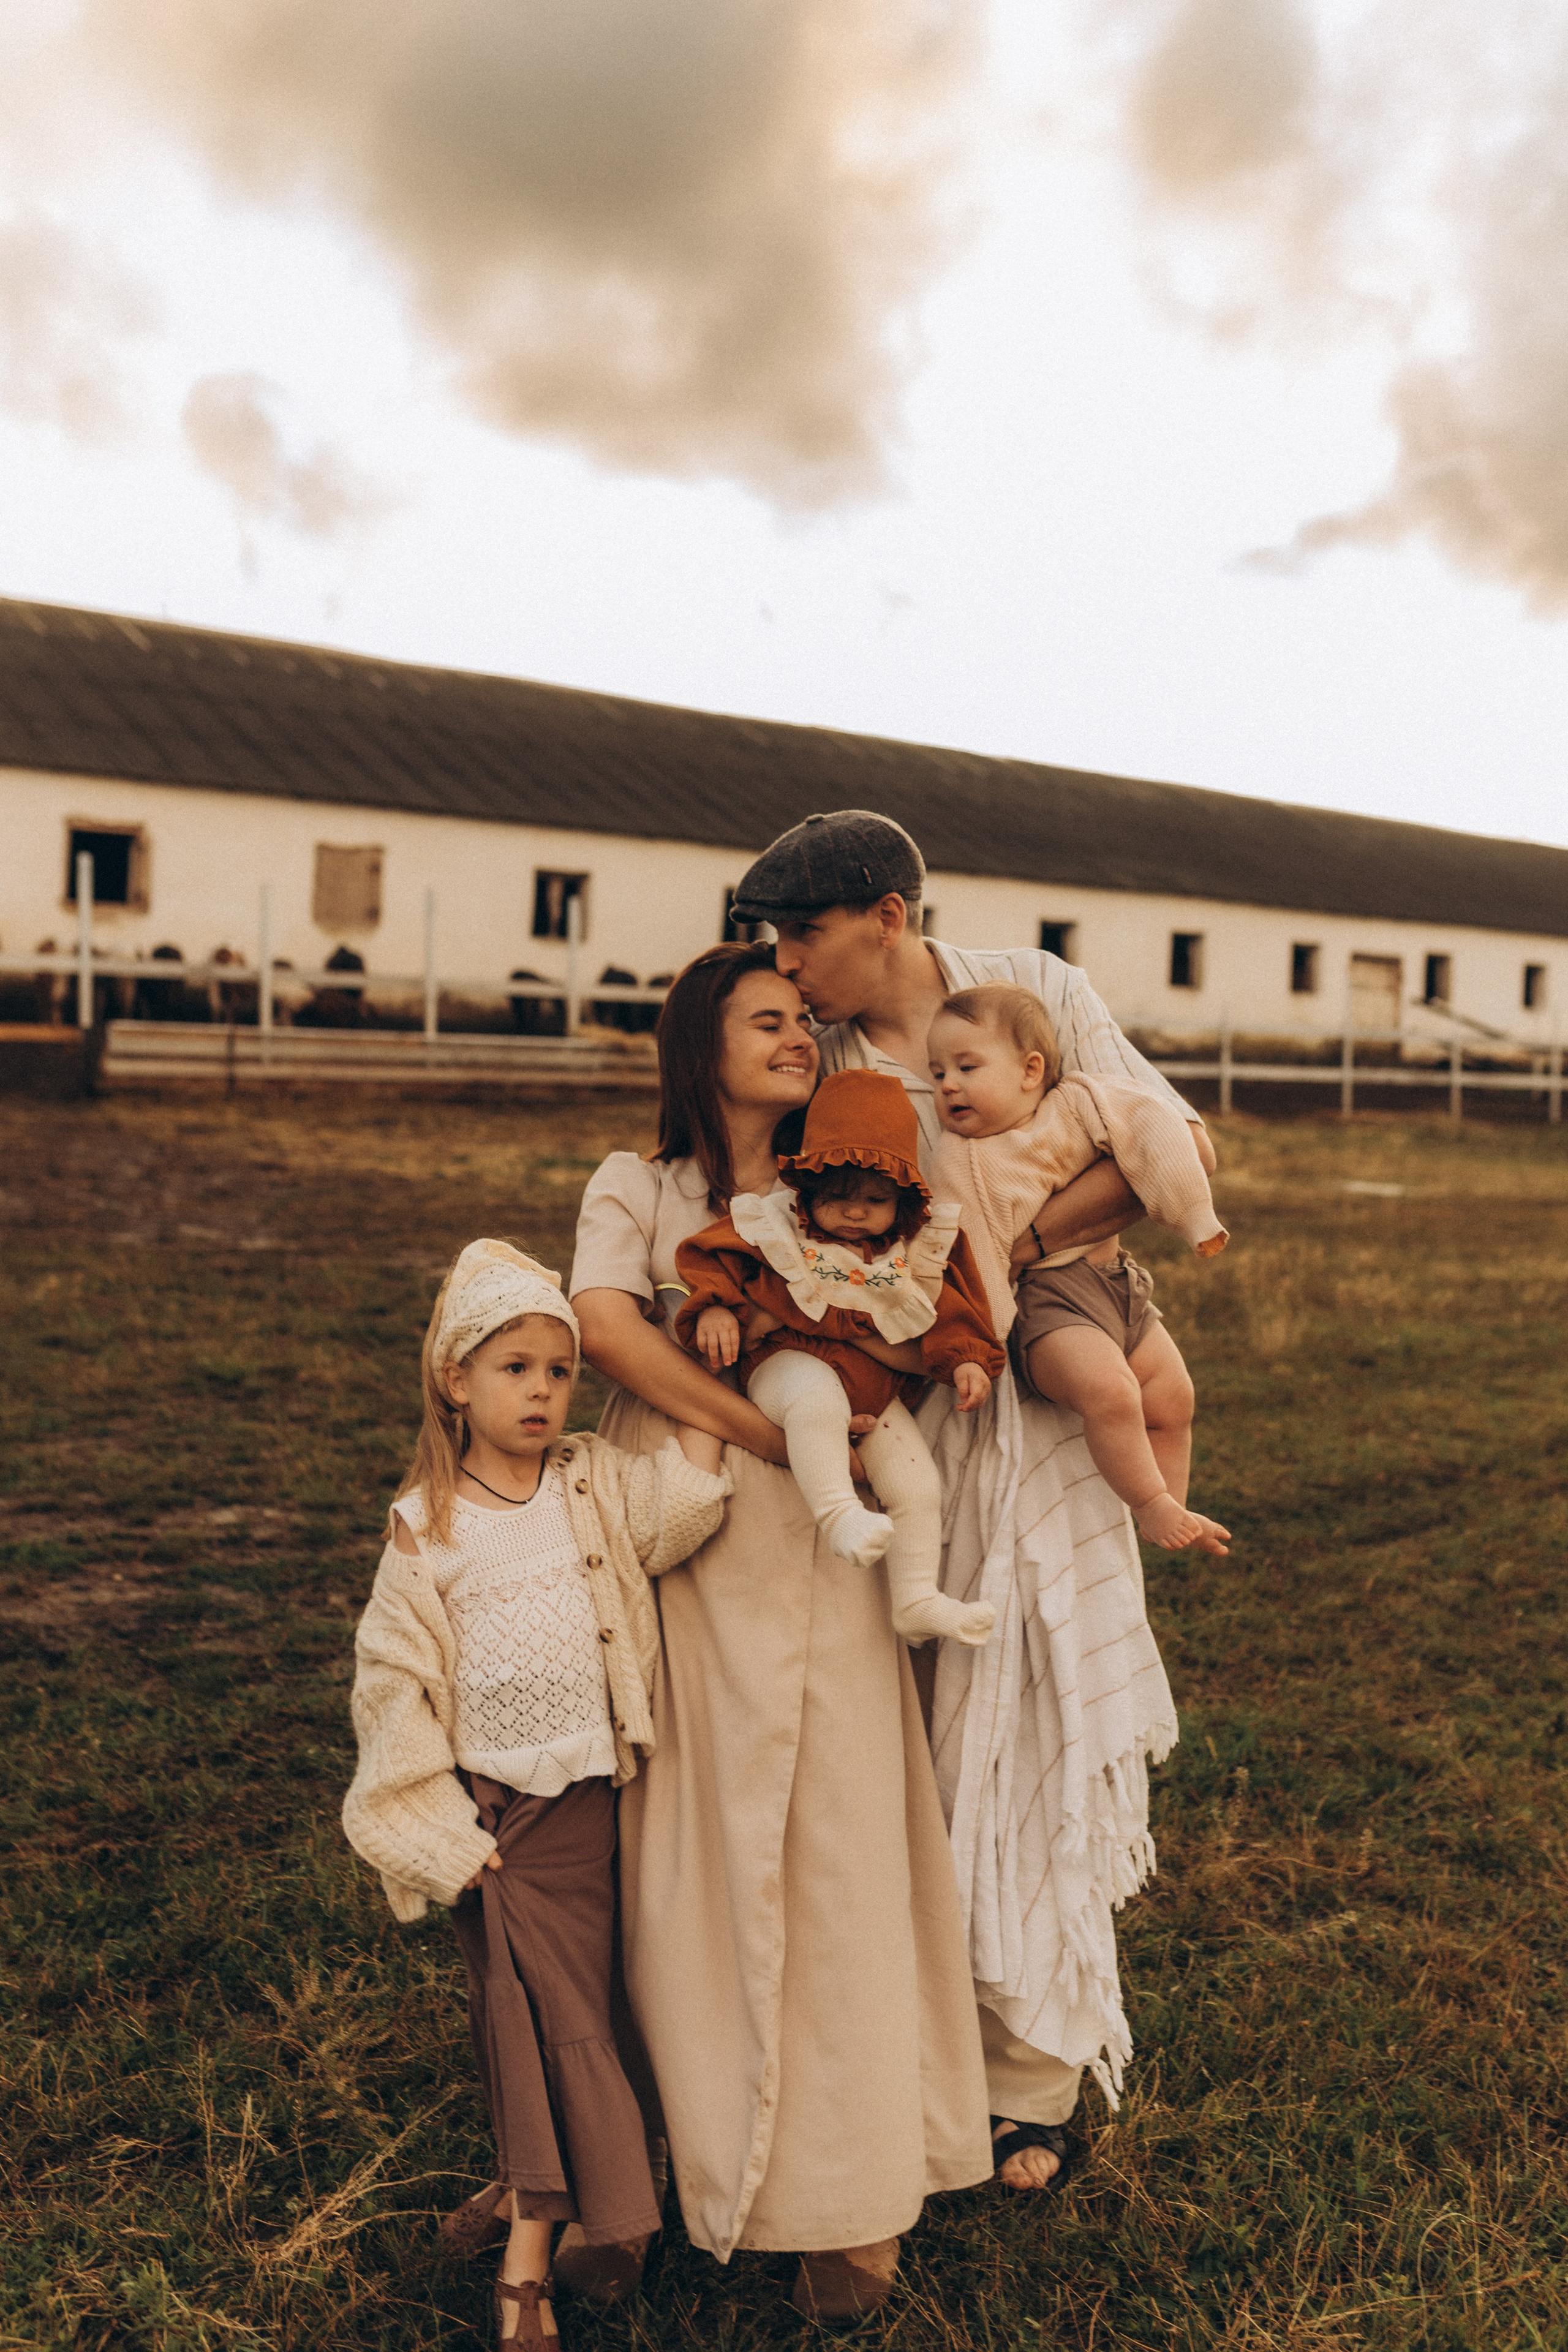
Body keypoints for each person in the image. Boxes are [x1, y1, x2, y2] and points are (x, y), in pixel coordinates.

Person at [729, 810, 1218, 2196]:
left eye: (802, 930)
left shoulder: (1033, 995)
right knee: (909, 1744)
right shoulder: (808, 1057)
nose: (785, 959)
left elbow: (1156, 1139)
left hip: (1048, 1407)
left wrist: (1019, 1243)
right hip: (903, 1420)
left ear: (885, 914)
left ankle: (1031, 2081)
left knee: (1036, 1720)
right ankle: (912, 2054)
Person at [570, 944, 993, 2323]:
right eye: (766, 1021)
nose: (798, 1039)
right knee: (686, 1846)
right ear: (700, 1043)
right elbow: (608, 1337)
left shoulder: (859, 1167)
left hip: (842, 1540)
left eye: (803, 1021)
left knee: (836, 1841)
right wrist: (768, 1437)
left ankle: (847, 2195)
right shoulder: (641, 1187)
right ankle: (640, 2181)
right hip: (701, 1532)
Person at [341, 1239, 731, 2349]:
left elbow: (683, 1507)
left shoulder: (590, 1483)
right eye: (514, 1369)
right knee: (530, 2028)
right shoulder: (428, 1525)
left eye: (559, 1372)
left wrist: (704, 1385)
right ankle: (529, 2260)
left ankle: (528, 2198)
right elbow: (394, 1682)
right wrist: (443, 1825)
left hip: (588, 1813)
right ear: (455, 1380)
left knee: (578, 2020)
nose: (542, 1393)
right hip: (494, 1826)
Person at [673, 1065, 1003, 1646]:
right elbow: (715, 1261)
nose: (855, 1213)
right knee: (815, 1398)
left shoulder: (911, 1253)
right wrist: (717, 1309)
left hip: (874, 1389)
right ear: (809, 1187)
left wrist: (966, 1359)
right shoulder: (777, 1227)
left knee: (917, 1483)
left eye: (874, 1200)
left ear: (902, 1197)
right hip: (786, 1365)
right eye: (839, 1198)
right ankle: (837, 1514)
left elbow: (951, 1308)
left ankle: (917, 1599)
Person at [927, 984, 1231, 1556]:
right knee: (1112, 1392)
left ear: (1030, 1070)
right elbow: (971, 1258)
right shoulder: (962, 1159)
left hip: (1119, 1283)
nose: (947, 1085)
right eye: (937, 1072)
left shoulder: (1078, 1102)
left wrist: (1194, 1217)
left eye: (967, 1067)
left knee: (1173, 1397)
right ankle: (1149, 1503)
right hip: (1048, 1304)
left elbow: (1153, 1128)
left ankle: (1172, 1505)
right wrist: (977, 1348)